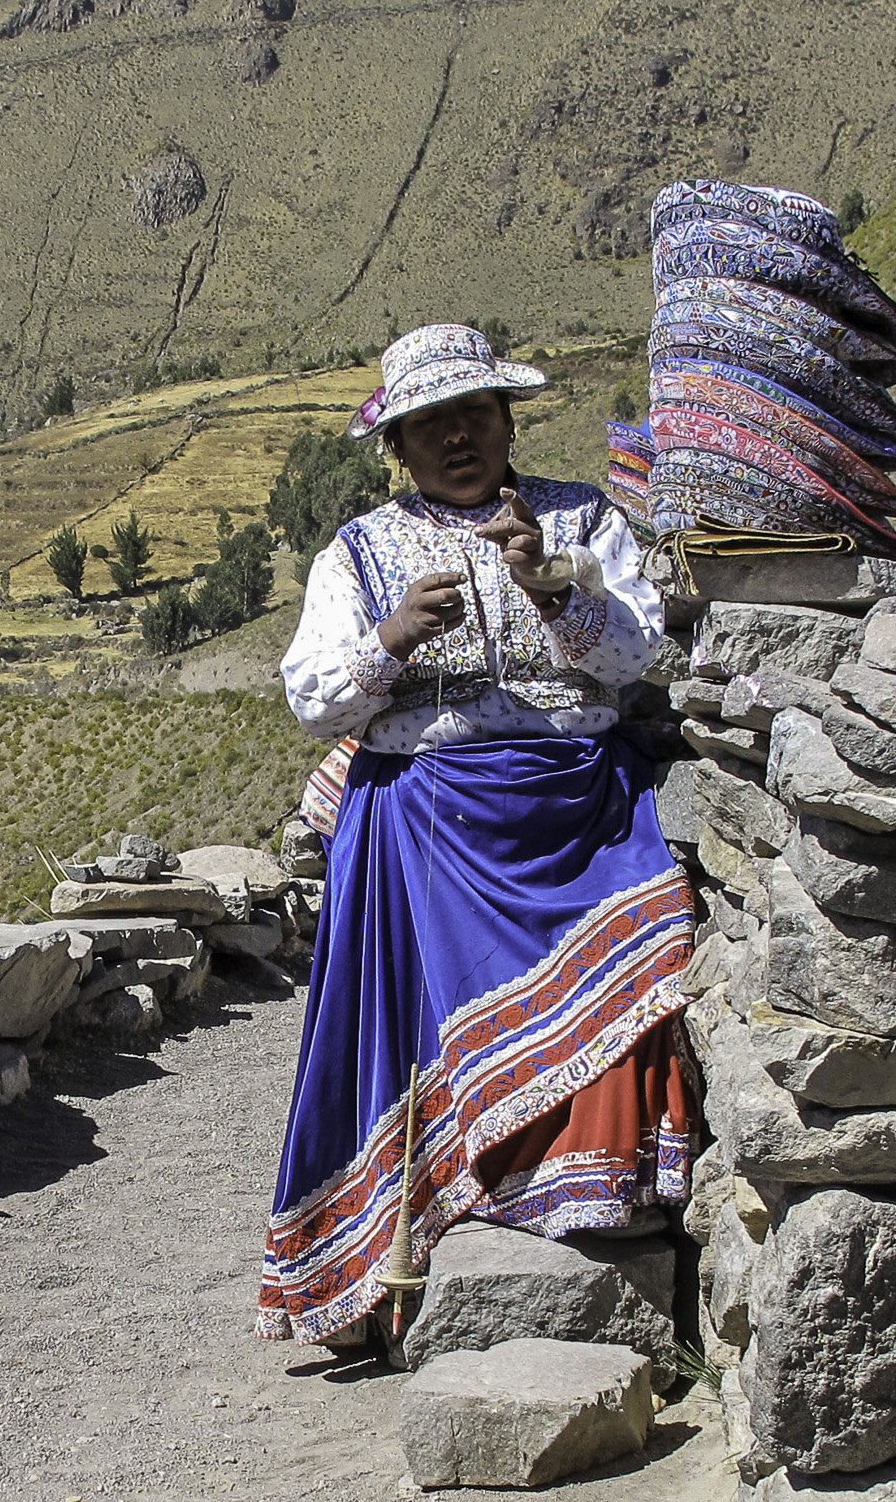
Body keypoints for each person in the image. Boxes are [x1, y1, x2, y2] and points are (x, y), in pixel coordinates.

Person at [258, 323, 700, 1346]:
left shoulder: (583, 519)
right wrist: (389, 639)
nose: (456, 439)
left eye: (473, 416)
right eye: (430, 426)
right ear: (399, 448)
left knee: (654, 938)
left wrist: (555, 590)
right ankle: (421, 1233)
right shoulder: (362, 552)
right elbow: (313, 699)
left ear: (506, 422)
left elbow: (638, 658)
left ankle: (584, 1196)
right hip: (428, 807)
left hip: (574, 797)